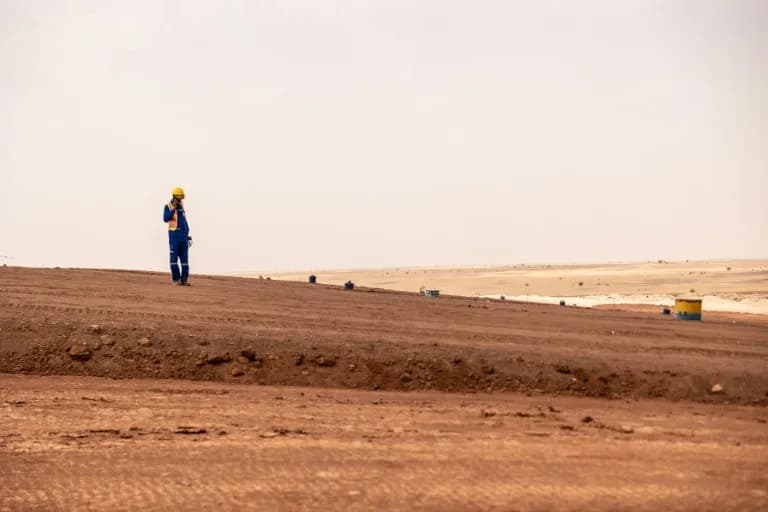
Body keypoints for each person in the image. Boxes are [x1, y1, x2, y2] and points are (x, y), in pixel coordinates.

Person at [163, 187, 192, 285]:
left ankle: (184, 280)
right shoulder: (168, 206)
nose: (180, 200)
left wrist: (188, 235)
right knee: (174, 259)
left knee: (185, 260)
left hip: (183, 236)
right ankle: (176, 280)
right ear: (174, 196)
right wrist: (173, 209)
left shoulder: (181, 206)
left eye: (181, 198)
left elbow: (184, 221)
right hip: (174, 236)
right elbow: (165, 218)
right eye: (179, 198)